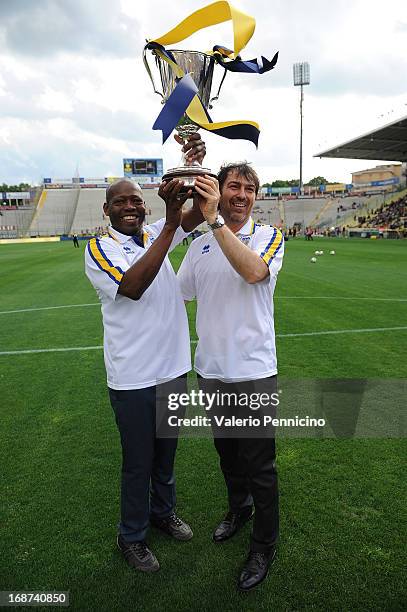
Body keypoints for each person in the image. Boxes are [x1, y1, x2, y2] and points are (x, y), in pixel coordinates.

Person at [85, 134, 209, 573]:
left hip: (172, 370)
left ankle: (162, 513)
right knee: (138, 463)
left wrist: (191, 169)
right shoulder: (99, 249)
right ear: (108, 210)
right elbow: (133, 287)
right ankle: (131, 535)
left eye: (137, 200)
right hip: (134, 378)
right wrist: (171, 225)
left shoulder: (158, 230)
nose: (132, 206)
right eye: (122, 202)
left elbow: (196, 214)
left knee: (166, 457)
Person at [177, 163, 284, 591]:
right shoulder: (200, 246)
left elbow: (254, 272)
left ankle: (263, 545)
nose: (242, 194)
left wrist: (215, 220)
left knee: (261, 466)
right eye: (233, 186)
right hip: (212, 371)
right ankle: (238, 509)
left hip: (254, 373)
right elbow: (177, 295)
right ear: (219, 190)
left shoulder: (268, 237)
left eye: (250, 188)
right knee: (228, 455)